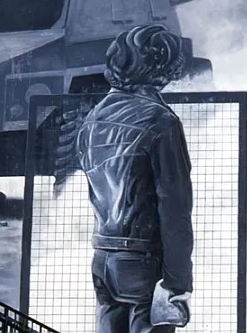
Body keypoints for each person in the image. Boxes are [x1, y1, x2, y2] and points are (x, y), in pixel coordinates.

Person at [74, 24, 194, 333]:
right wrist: (177, 281)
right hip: (146, 262)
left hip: (103, 258)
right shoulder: (161, 122)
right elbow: (175, 209)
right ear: (160, 69)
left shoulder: (91, 122)